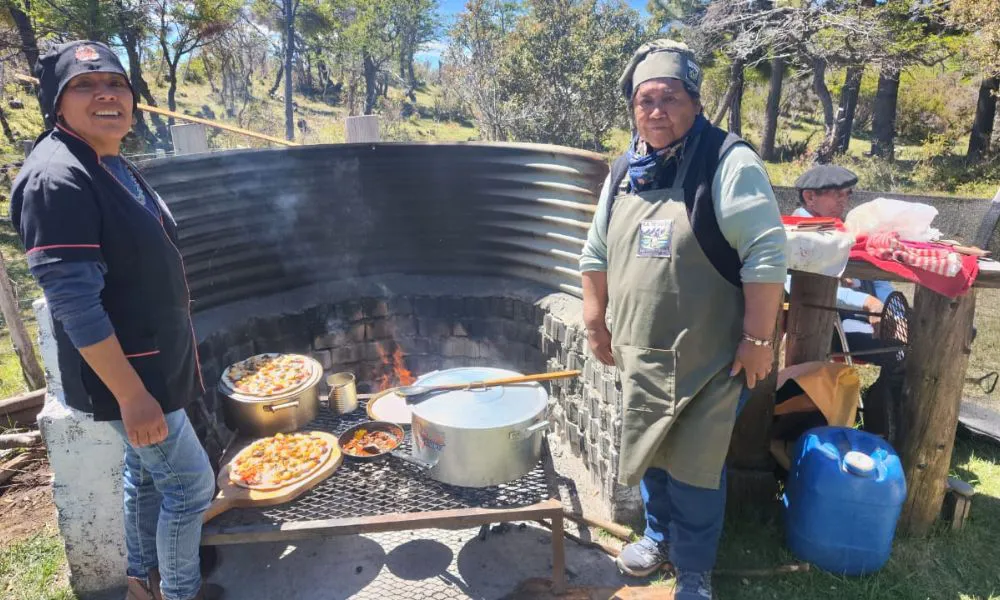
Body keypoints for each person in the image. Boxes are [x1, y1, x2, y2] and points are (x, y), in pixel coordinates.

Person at [10, 41, 221, 600]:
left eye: (115, 83)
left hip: (149, 363)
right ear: (56, 103)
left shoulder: (105, 159)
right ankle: (180, 592)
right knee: (190, 487)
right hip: (131, 375)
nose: (106, 93)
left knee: (146, 474)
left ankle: (139, 582)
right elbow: (74, 304)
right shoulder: (57, 180)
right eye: (84, 85)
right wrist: (132, 397)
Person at [580, 40, 787, 599]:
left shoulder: (728, 161)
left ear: (695, 103)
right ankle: (656, 534)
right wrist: (596, 321)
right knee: (651, 452)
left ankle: (695, 570)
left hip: (711, 359)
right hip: (642, 355)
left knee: (695, 471)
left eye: (668, 99)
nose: (655, 111)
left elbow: (767, 256)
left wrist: (757, 339)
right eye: (644, 101)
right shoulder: (625, 169)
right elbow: (595, 254)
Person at [786, 164, 904, 442]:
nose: (844, 199)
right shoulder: (797, 234)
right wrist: (867, 303)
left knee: (917, 343)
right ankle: (881, 432)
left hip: (863, 317)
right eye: (835, 193)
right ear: (809, 197)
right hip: (827, 325)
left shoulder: (844, 228)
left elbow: (879, 278)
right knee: (903, 354)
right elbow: (801, 287)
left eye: (847, 193)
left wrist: (891, 311)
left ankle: (891, 427)